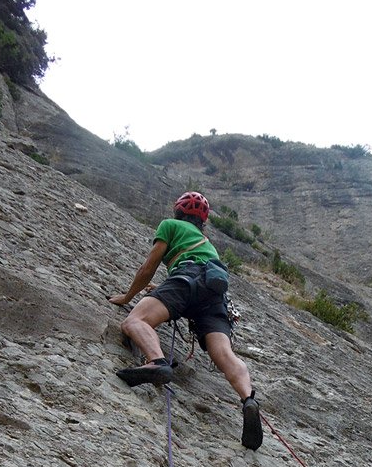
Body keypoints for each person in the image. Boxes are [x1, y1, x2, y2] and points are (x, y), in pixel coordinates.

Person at [108, 192, 263, 451]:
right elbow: (200, 275)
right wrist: (164, 288)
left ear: (178, 211)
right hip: (214, 297)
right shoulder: (208, 245)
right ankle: (248, 399)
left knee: (135, 321)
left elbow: (149, 267)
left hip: (185, 281)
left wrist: (127, 296)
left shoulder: (170, 225)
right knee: (224, 354)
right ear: (203, 221)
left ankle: (156, 362)